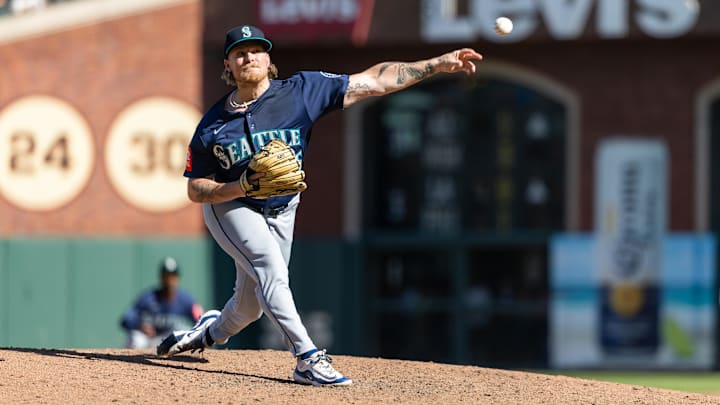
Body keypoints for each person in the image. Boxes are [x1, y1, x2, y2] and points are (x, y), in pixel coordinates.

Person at [156, 24, 482, 386]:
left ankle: (206, 333)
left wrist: (436, 64)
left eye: (256, 50)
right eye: (240, 53)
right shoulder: (212, 125)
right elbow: (197, 189)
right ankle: (307, 358)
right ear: (228, 66)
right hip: (231, 207)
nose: (249, 57)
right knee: (272, 272)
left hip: (282, 207)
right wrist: (238, 186)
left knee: (248, 308)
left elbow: (374, 81)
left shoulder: (301, 91)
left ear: (268, 59)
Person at [120, 257, 204, 349]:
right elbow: (126, 319)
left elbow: (201, 320)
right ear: (161, 278)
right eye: (166, 276)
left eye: (172, 276)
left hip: (167, 341)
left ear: (177, 278)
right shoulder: (148, 298)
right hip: (148, 340)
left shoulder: (186, 300)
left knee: (185, 334)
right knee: (136, 340)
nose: (169, 280)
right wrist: (139, 325)